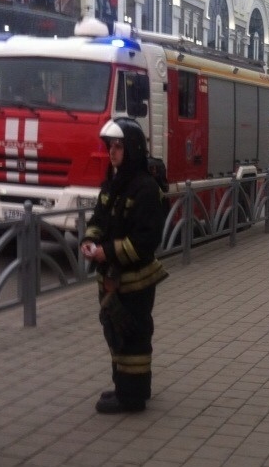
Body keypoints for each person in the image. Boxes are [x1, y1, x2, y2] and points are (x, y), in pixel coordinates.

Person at [80, 117, 169, 413]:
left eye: (118, 146)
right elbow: (98, 220)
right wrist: (90, 241)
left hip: (135, 281)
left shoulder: (145, 188)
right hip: (113, 280)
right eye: (110, 146)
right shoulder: (114, 183)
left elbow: (146, 240)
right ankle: (124, 388)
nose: (112, 152)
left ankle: (132, 398)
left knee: (133, 338)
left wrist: (107, 252)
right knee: (115, 334)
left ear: (131, 148)